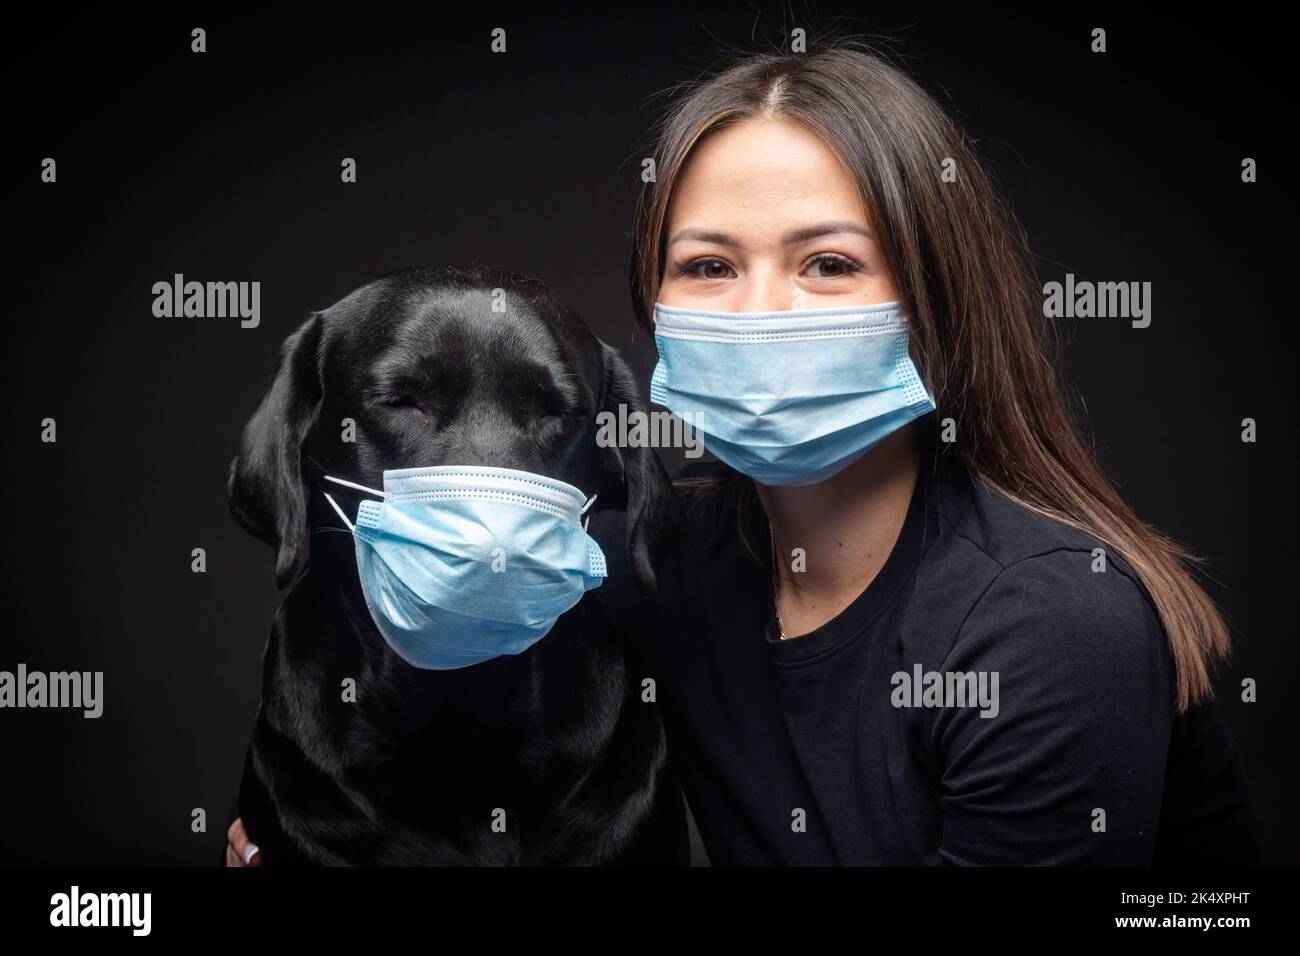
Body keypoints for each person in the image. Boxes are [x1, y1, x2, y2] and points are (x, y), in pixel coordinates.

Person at [228, 38, 1260, 867]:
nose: (763, 310)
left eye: (827, 262)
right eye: (710, 264)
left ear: (935, 302)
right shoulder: (651, 560)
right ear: (657, 304)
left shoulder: (1047, 624)